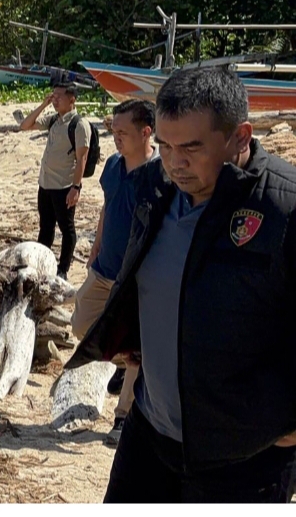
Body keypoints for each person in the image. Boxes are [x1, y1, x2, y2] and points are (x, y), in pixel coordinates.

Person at [66, 66, 296, 503]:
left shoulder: (284, 208)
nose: (175, 162)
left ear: (240, 136)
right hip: (149, 434)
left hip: (244, 457)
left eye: (191, 147)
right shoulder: (153, 186)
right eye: (166, 147)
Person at [69, 99, 156, 446]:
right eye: (113, 131)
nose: (115, 137)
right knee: (80, 325)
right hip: (104, 268)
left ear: (146, 132)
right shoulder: (113, 165)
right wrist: (96, 246)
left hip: (136, 279)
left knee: (135, 349)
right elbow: (109, 206)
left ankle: (123, 417)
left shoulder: (160, 175)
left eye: (122, 132)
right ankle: (129, 365)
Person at [19, 83, 91, 279]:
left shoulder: (79, 125)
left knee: (67, 229)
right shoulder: (54, 120)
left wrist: (76, 188)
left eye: (59, 96)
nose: (55, 99)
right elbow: (25, 125)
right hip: (45, 184)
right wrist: (44, 104)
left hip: (64, 186)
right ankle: (41, 264)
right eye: (54, 96)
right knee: (46, 227)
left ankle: (63, 270)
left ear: (72, 99)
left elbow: (82, 158)